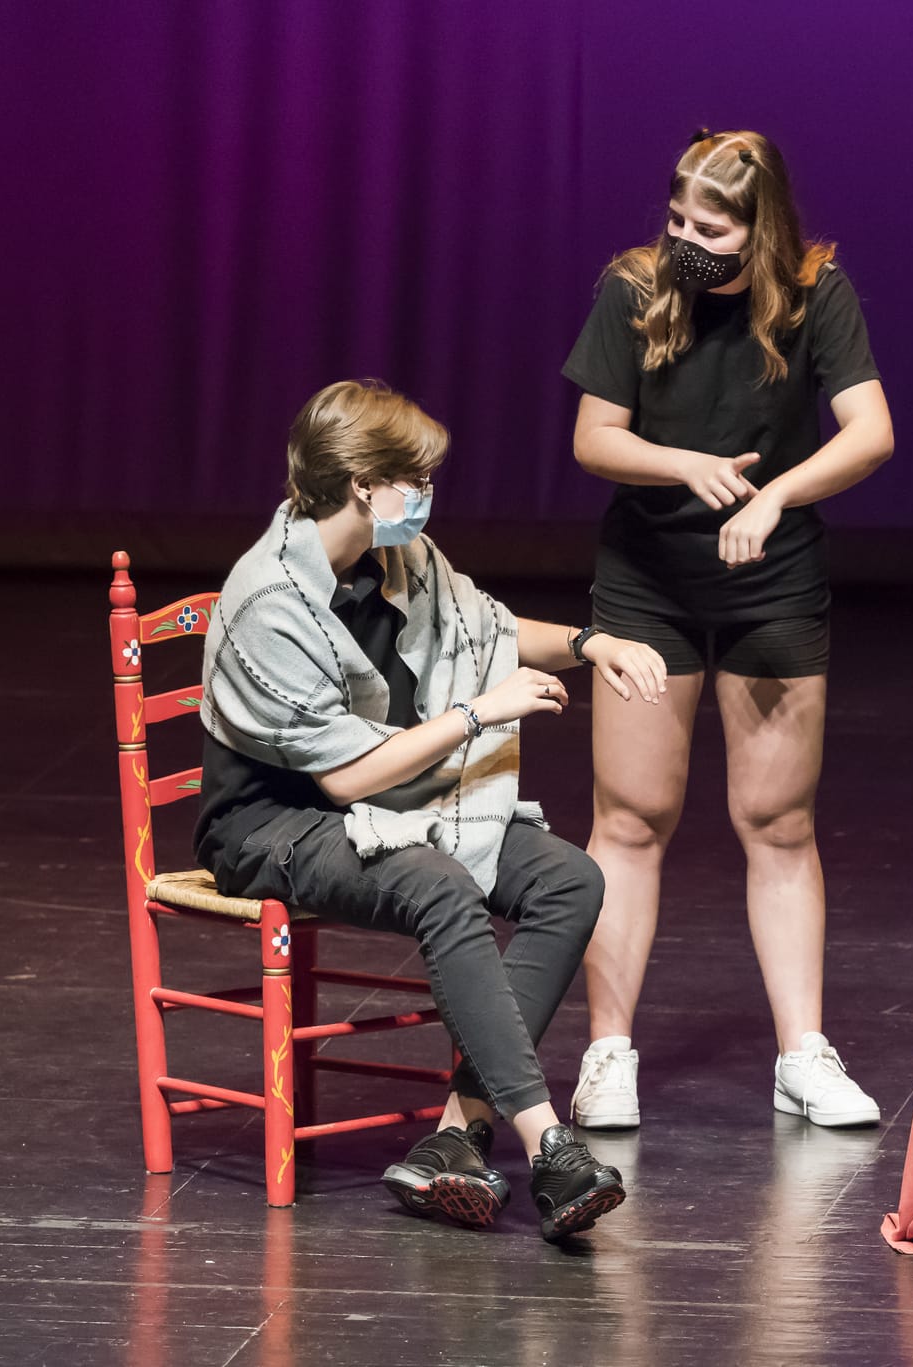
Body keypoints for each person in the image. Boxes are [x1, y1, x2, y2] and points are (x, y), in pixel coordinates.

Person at [194, 379, 669, 1240]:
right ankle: (548, 1141)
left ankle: (455, 1135)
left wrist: (591, 643)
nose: (425, 493)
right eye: (413, 478)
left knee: (569, 878)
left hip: (392, 801)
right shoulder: (268, 599)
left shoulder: (404, 558)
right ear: (362, 485)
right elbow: (346, 777)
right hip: (273, 825)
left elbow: (490, 629)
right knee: (439, 883)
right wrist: (478, 713)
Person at [560, 129, 895, 1129]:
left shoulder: (815, 293)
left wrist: (776, 495)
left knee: (778, 820)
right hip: (649, 582)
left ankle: (802, 1054)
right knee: (630, 818)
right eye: (677, 220)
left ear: (762, 226)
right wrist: (682, 465)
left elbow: (871, 432)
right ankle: (606, 1052)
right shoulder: (633, 288)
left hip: (771, 583)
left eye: (711, 229)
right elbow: (594, 438)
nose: (688, 242)